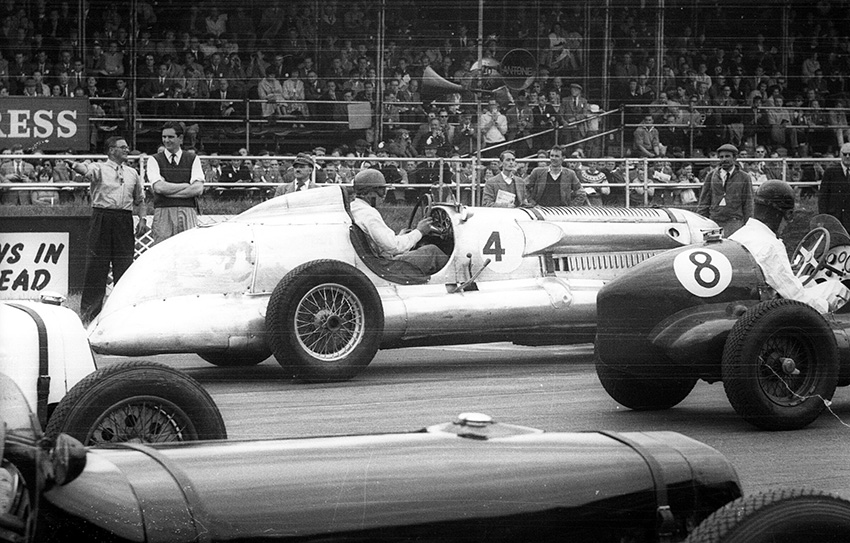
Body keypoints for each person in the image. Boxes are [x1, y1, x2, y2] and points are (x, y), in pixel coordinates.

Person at [729, 180, 848, 314]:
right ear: (788, 214)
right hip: (773, 309)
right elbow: (796, 298)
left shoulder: (738, 235)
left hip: (753, 299)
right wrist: (825, 306)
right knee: (836, 287)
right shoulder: (771, 245)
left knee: (806, 280)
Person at [71, 136, 147, 323]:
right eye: (123, 147)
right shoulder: (99, 168)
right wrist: (75, 165)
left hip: (124, 219)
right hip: (102, 217)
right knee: (97, 265)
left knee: (124, 264)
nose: (127, 150)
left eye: (127, 147)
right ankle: (89, 314)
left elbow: (141, 199)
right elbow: (85, 171)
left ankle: (124, 311)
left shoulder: (132, 173)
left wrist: (143, 218)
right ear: (111, 150)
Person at [349, 169, 448, 275]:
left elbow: (385, 243)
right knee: (433, 252)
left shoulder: (354, 207)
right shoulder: (369, 214)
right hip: (386, 266)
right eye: (382, 190)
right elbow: (394, 247)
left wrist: (401, 236)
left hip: (375, 260)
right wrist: (420, 231)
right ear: (370, 192)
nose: (384, 195)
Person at [145, 122, 204, 245]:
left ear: (180, 138)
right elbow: (159, 188)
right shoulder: (154, 159)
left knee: (188, 250)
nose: (166, 140)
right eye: (164, 137)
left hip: (188, 211)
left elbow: (198, 189)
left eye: (170, 137)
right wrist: (186, 185)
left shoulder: (193, 158)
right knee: (162, 251)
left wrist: (168, 189)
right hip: (163, 211)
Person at [696, 143, 753, 236]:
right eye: (721, 157)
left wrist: (749, 226)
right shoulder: (711, 176)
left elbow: (748, 203)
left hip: (735, 222)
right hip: (714, 221)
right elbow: (704, 202)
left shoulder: (744, 177)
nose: (724, 159)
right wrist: (701, 222)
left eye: (727, 156)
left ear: (735, 158)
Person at [817, 142, 850, 229]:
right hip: (834, 218)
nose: (847, 157)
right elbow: (823, 196)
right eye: (845, 154)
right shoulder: (831, 171)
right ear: (840, 155)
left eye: (849, 154)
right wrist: (823, 218)